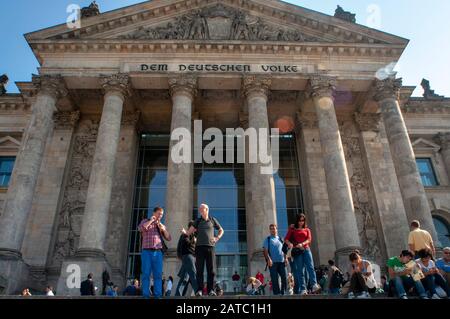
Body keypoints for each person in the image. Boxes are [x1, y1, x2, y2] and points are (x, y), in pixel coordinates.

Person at [185, 203, 224, 296]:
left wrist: (217, 238)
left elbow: (221, 230)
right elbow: (189, 232)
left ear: (207, 210)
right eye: (199, 209)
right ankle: (199, 290)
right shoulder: (197, 221)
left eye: (202, 209)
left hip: (210, 247)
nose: (200, 211)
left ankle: (211, 290)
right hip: (199, 248)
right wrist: (186, 233)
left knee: (211, 270)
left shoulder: (212, 220)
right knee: (199, 270)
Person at [138, 206, 172, 299]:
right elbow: (141, 229)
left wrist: (163, 229)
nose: (160, 216)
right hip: (146, 251)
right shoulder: (145, 221)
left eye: (161, 215)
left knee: (158, 274)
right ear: (154, 213)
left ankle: (158, 295)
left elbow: (169, 238)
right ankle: (146, 295)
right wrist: (151, 221)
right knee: (146, 274)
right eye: (159, 214)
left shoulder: (161, 225)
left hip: (158, 252)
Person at [284, 213, 321, 295]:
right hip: (297, 251)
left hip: (306, 249)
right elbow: (286, 239)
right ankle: (303, 289)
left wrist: (302, 244)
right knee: (300, 270)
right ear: (297, 221)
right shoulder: (293, 229)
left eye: (303, 221)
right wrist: (290, 243)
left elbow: (309, 239)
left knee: (310, 267)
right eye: (300, 220)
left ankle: (314, 285)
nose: (301, 222)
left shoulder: (307, 230)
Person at [263, 224, 288, 296]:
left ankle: (284, 293)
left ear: (277, 229)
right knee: (274, 279)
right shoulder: (268, 239)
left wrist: (286, 258)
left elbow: (284, 250)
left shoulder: (280, 239)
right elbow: (265, 251)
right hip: (272, 263)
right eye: (271, 229)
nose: (273, 230)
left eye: (274, 228)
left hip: (282, 261)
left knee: (284, 277)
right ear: (270, 230)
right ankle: (276, 293)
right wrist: (269, 259)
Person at [176, 221, 199, 296]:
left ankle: (177, 295)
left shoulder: (193, 235)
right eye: (195, 227)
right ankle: (197, 291)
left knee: (184, 278)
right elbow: (183, 244)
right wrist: (194, 241)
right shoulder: (186, 234)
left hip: (190, 257)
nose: (196, 229)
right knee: (193, 274)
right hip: (188, 256)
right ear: (191, 227)